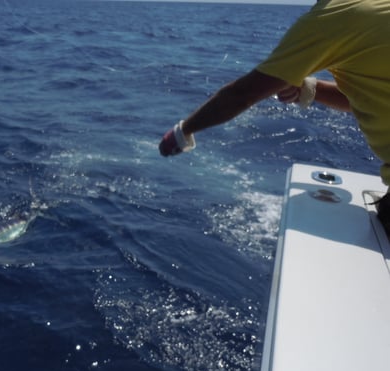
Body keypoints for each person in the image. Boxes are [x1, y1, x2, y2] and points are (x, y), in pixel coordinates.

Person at [158, 0, 390, 232]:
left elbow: (242, 94)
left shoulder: (337, 17)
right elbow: (369, 94)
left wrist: (183, 131)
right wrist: (311, 89)